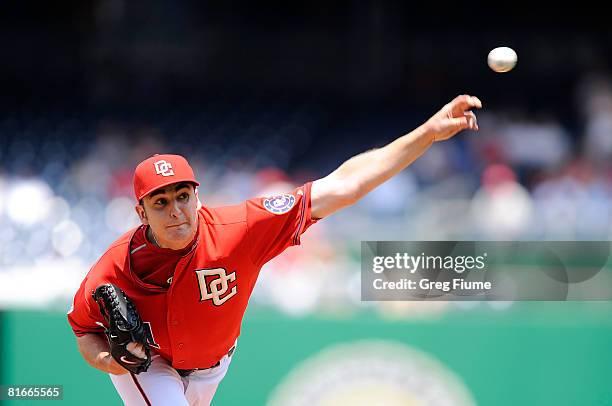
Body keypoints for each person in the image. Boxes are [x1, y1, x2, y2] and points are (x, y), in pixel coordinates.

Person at [67, 95, 482, 405]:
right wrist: (111, 360)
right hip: (149, 363)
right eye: (161, 202)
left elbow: (345, 185)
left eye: (182, 196)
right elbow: (84, 330)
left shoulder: (241, 229)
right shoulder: (117, 265)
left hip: (213, 364)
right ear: (140, 211)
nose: (176, 210)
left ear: (198, 196)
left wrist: (426, 133)